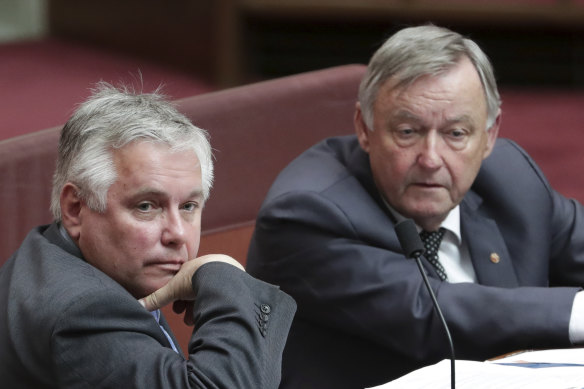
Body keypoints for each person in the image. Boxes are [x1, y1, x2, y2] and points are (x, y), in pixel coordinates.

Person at [246, 24, 584, 389]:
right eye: (408, 132)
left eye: (456, 134)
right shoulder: (306, 213)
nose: (431, 159)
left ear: (489, 136)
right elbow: (428, 311)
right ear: (364, 127)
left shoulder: (513, 178)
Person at [0, 83, 296, 388]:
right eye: (146, 206)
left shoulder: (51, 254)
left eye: (188, 206)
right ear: (76, 208)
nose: (178, 234)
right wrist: (225, 277)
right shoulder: (86, 310)